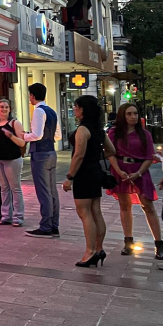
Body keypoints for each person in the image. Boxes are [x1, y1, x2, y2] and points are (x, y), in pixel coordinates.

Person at [61, 95, 117, 267]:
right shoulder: (98, 129)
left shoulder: (83, 130)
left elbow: (78, 155)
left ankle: (90, 251)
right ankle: (98, 249)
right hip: (95, 171)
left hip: (84, 174)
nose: (74, 109)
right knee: (95, 211)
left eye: (76, 106)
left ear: (82, 109)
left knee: (84, 213)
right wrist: (95, 158)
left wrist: (69, 177)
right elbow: (111, 150)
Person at [107, 104, 163, 258]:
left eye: (135, 113)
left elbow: (149, 157)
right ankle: (128, 242)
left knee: (148, 205)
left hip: (140, 170)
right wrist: (119, 171)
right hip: (121, 169)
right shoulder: (114, 133)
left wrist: (138, 173)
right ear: (122, 116)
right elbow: (110, 153)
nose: (133, 117)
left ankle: (159, 244)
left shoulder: (144, 134)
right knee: (124, 206)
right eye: (129, 114)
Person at [21, 83, 63, 238]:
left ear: (32, 95)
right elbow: (58, 136)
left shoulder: (38, 111)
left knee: (43, 191)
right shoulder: (51, 111)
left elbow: (37, 135)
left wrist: (24, 136)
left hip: (40, 153)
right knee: (52, 191)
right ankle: (54, 225)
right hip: (51, 152)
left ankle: (45, 226)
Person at [0, 98, 26, 227]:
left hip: (12, 159)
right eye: (2, 107)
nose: (4, 109)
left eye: (6, 107)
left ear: (10, 109)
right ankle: (6, 216)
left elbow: (22, 142)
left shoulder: (15, 123)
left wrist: (11, 136)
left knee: (15, 188)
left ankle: (18, 217)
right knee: (4, 188)